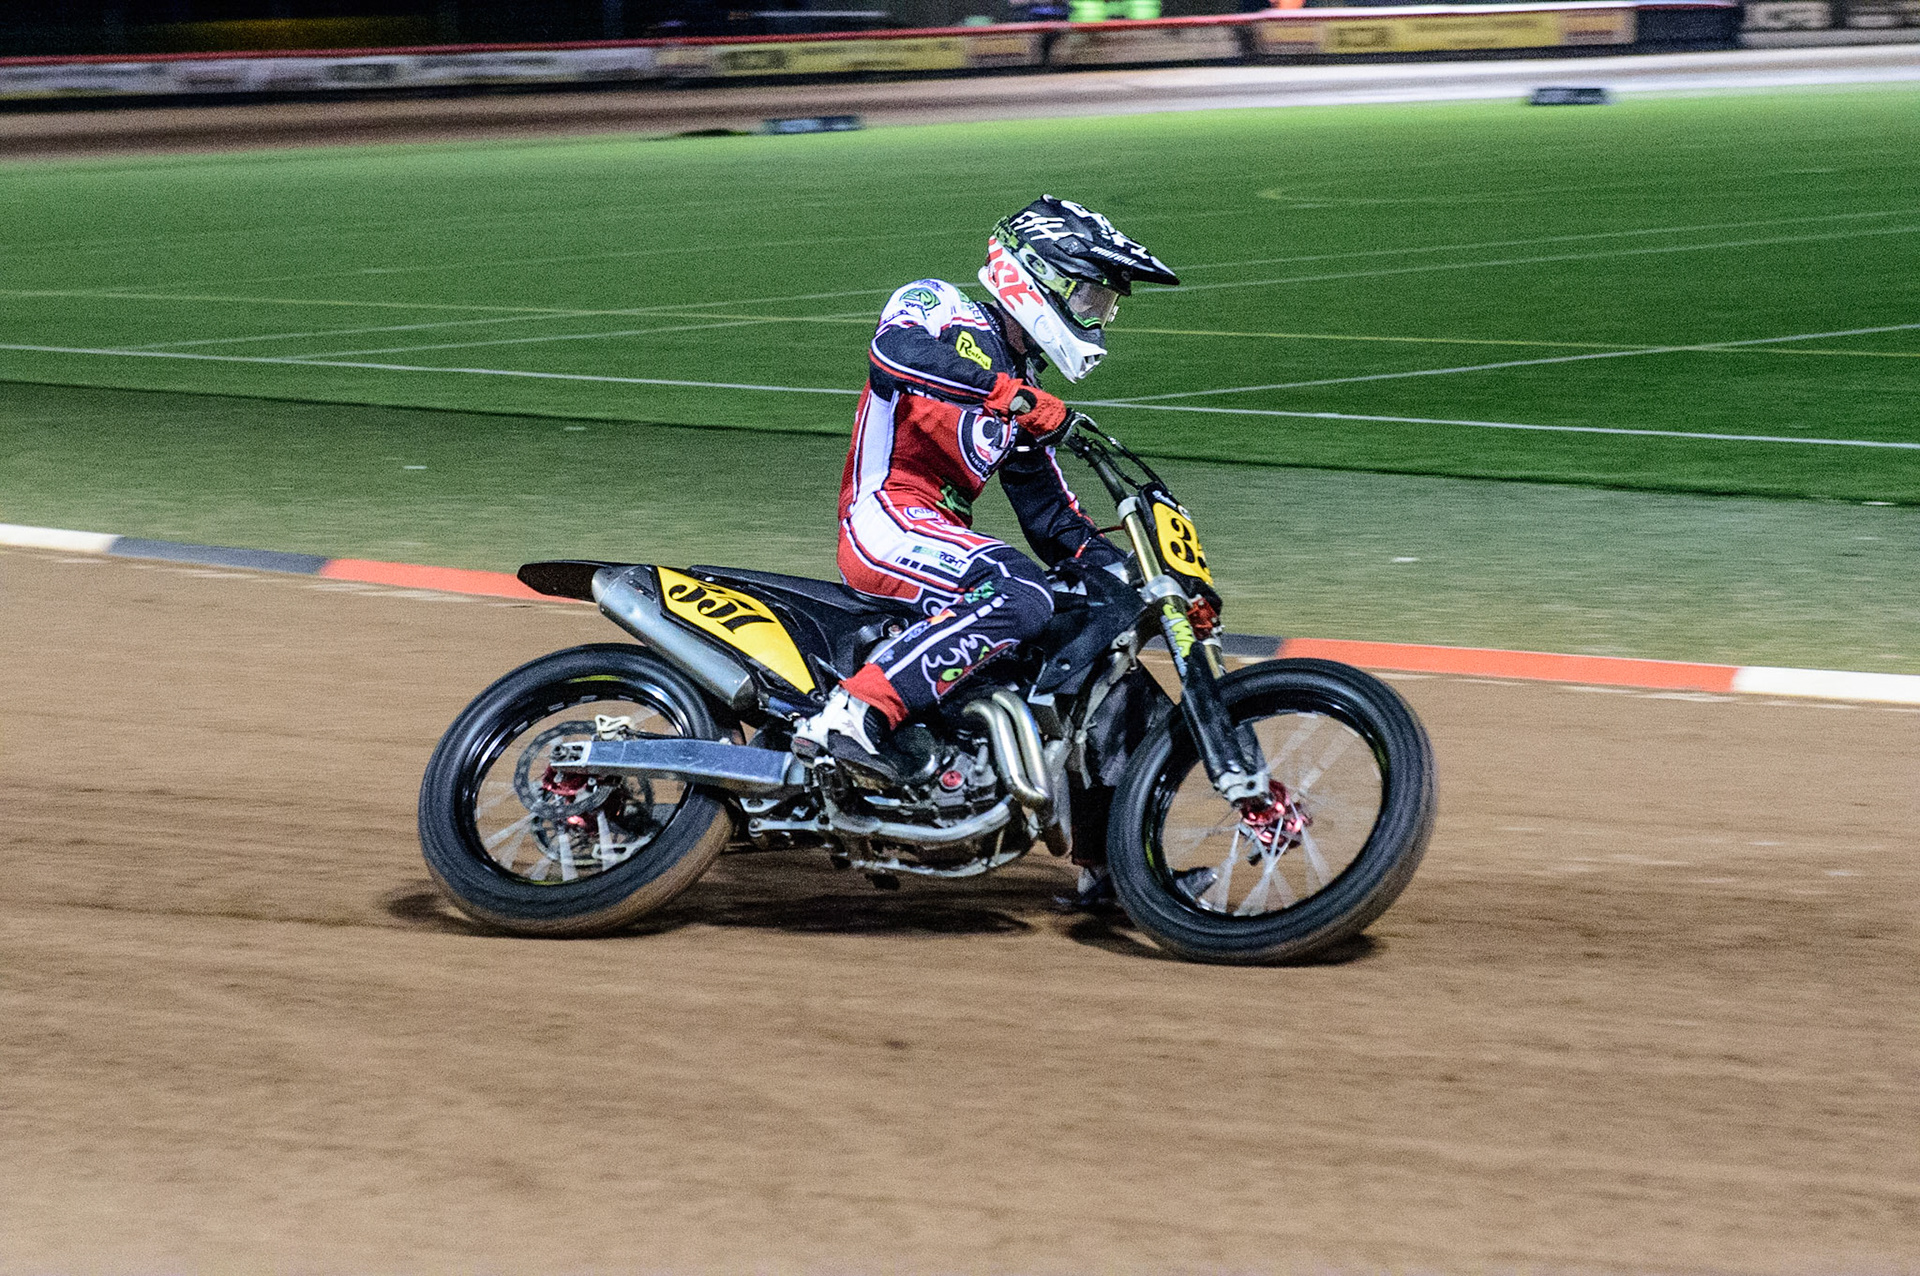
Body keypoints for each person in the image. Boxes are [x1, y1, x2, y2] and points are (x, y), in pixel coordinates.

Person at [794, 196, 1179, 784]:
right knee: (1019, 591)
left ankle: (1109, 858)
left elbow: (1051, 518)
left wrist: (1129, 572)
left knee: (1091, 632)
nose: (1097, 318)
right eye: (1091, 298)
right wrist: (1013, 398)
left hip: (943, 535)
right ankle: (853, 713)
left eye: (1105, 306)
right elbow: (892, 355)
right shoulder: (938, 305)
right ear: (1037, 276)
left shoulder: (1025, 387)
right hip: (883, 514)